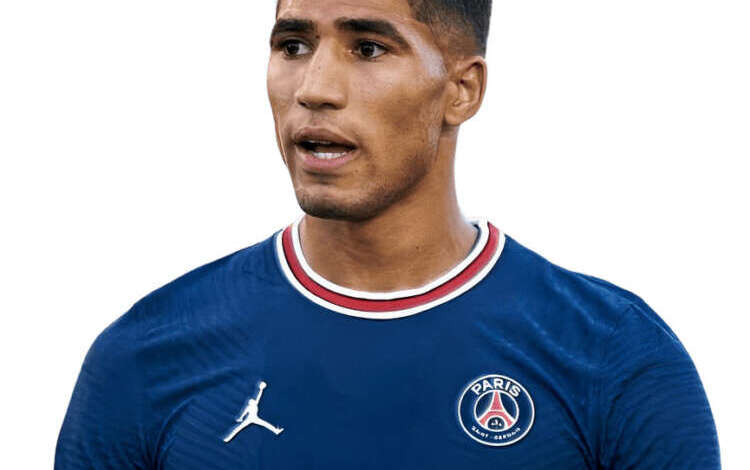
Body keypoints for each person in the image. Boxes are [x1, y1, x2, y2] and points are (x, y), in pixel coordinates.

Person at [55, 0, 721, 468]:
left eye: (368, 48)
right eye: (293, 46)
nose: (314, 88)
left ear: (462, 90)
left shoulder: (615, 359)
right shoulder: (144, 357)